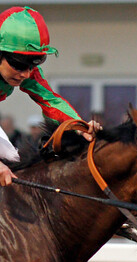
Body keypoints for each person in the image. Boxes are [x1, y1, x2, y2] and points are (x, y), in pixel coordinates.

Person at [0, 6, 101, 186]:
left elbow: (51, 101)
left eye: (32, 64)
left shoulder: (27, 73)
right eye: (19, 64)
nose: (25, 74)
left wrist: (79, 126)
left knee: (12, 159)